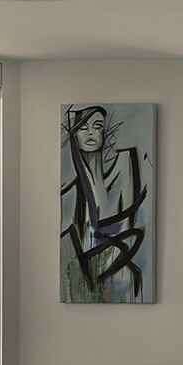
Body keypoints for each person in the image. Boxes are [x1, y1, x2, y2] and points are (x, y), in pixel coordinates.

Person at [60, 105, 149, 302]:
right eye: (84, 127)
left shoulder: (124, 167)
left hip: (117, 268)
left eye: (98, 126)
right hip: (85, 270)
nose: (91, 132)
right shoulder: (71, 188)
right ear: (74, 133)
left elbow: (129, 223)